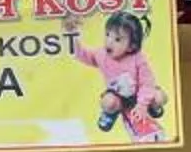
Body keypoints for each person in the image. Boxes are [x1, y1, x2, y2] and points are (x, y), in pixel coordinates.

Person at [63, 10, 168, 141]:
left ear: (131, 46)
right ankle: (110, 114)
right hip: (119, 96)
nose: (109, 42)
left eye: (117, 39)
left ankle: (153, 108)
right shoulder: (101, 54)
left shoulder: (138, 58)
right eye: (108, 35)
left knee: (160, 97)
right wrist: (71, 34)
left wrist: (142, 105)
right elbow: (81, 55)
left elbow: (147, 83)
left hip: (140, 94)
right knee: (108, 102)